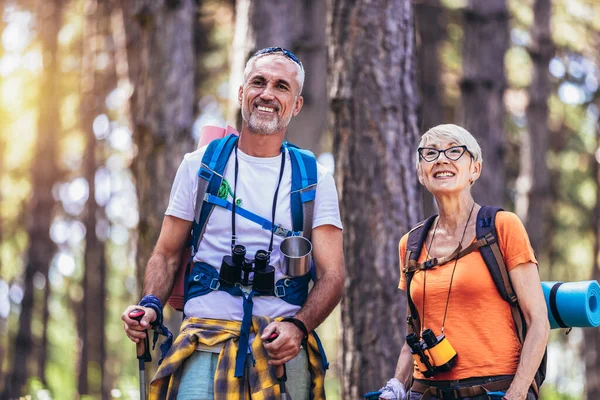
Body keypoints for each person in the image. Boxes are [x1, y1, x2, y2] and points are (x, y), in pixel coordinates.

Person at [121, 47, 345, 400]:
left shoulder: (315, 178)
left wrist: (298, 328)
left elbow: (333, 276)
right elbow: (165, 255)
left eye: (282, 86)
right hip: (202, 342)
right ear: (242, 93)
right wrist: (150, 305)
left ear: (297, 104)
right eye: (258, 82)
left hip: (281, 351)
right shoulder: (199, 166)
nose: (267, 93)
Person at [378, 124, 549, 400]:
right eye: (430, 154)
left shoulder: (502, 227)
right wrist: (397, 384)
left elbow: (538, 322)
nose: (442, 159)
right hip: (426, 393)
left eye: (455, 151)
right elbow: (414, 331)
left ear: (475, 170)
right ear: (421, 173)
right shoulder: (410, 244)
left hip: (494, 391)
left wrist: (516, 394)